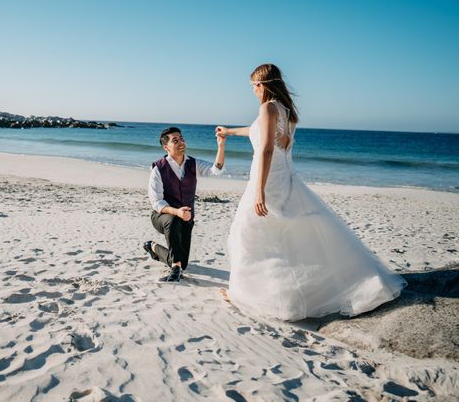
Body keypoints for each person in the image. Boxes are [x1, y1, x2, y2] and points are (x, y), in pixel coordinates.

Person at [216, 63, 406, 321]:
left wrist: (259, 190)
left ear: (264, 86)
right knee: (284, 234)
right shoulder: (286, 111)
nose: (253, 91)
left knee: (248, 234)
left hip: (269, 179)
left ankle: (244, 294)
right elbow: (256, 131)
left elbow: (266, 149)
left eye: (254, 86)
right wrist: (228, 132)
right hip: (285, 177)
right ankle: (262, 291)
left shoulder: (268, 107)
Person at [145, 127, 226, 282]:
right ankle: (175, 268)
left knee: (184, 264)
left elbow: (217, 169)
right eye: (175, 140)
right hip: (162, 216)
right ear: (166, 147)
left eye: (181, 138)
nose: (181, 142)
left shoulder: (193, 163)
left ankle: (153, 247)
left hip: (186, 219)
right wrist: (176, 211)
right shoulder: (158, 169)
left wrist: (221, 145)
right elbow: (156, 202)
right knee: (173, 221)